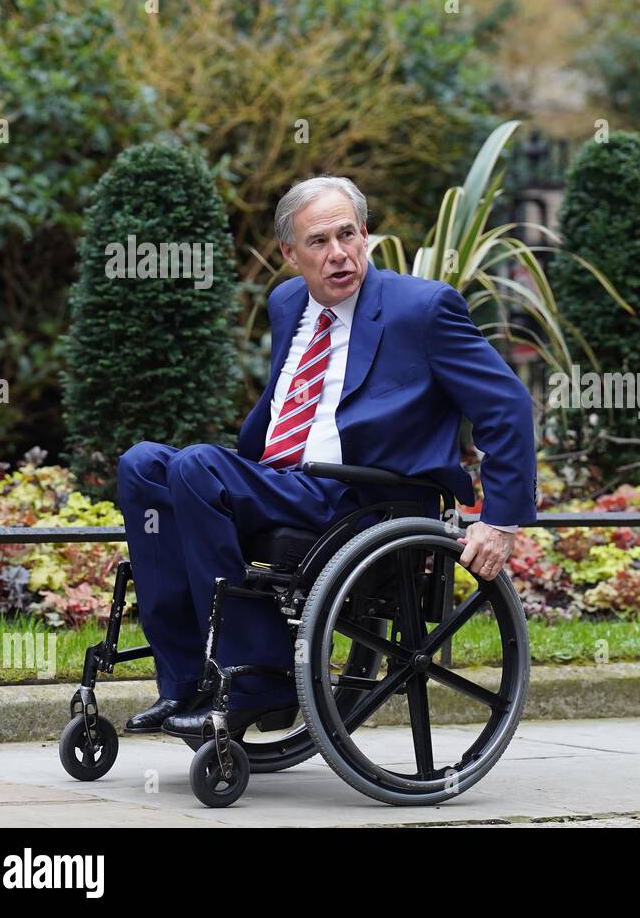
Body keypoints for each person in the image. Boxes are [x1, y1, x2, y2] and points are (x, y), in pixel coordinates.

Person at [115, 175, 537, 736]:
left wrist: (500, 520)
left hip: (362, 497)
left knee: (196, 465)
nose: (338, 254)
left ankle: (260, 678)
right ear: (290, 254)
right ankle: (186, 681)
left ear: (365, 234)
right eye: (318, 242)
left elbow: (506, 405)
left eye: (347, 235)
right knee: (143, 463)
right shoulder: (288, 302)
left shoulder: (424, 309)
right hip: (284, 480)